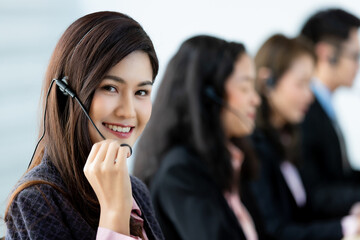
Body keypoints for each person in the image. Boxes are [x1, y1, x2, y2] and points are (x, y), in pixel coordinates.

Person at [4, 11, 164, 240]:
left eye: (141, 92)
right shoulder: (37, 200)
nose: (128, 111)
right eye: (110, 87)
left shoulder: (136, 189)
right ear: (67, 93)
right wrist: (114, 214)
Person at [133, 35, 261, 239]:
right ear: (210, 95)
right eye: (245, 87)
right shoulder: (180, 172)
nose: (256, 99)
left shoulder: (228, 162)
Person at [249, 33, 360, 240]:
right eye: (300, 84)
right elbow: (274, 232)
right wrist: (345, 227)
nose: (309, 95)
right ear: (268, 82)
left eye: (310, 84)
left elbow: (306, 208)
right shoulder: (256, 148)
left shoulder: (286, 140)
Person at [299, 8, 360, 218]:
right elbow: (314, 191)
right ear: (327, 54)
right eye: (355, 55)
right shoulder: (304, 111)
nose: (358, 66)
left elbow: (340, 175)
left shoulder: (325, 107)